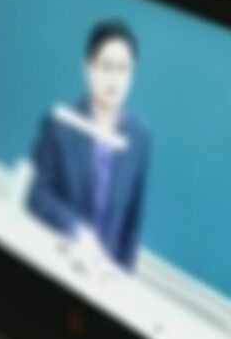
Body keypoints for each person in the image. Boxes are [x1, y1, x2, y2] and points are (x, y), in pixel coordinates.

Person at [25, 19, 151, 271]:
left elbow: (131, 224)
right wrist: (75, 229)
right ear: (88, 68)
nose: (114, 79)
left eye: (123, 69)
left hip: (103, 278)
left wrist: (122, 279)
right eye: (107, 66)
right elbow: (36, 195)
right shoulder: (60, 122)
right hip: (55, 261)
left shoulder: (140, 138)